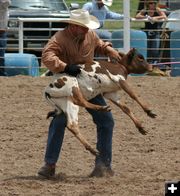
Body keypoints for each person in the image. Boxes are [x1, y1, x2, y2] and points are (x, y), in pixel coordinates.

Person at [38, 9, 122, 179]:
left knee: (106, 120)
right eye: (83, 27)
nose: (86, 30)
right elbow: (47, 56)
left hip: (87, 83)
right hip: (66, 84)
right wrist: (64, 66)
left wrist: (109, 50)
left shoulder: (89, 34)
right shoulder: (59, 38)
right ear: (73, 26)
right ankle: (49, 164)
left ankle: (103, 165)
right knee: (60, 120)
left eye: (86, 27)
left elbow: (99, 44)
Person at [0, 0, 11, 76]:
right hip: (2, 31)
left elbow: (7, 2)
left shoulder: (4, 3)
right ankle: (2, 73)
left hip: (2, 31)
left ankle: (2, 73)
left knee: (1, 55)